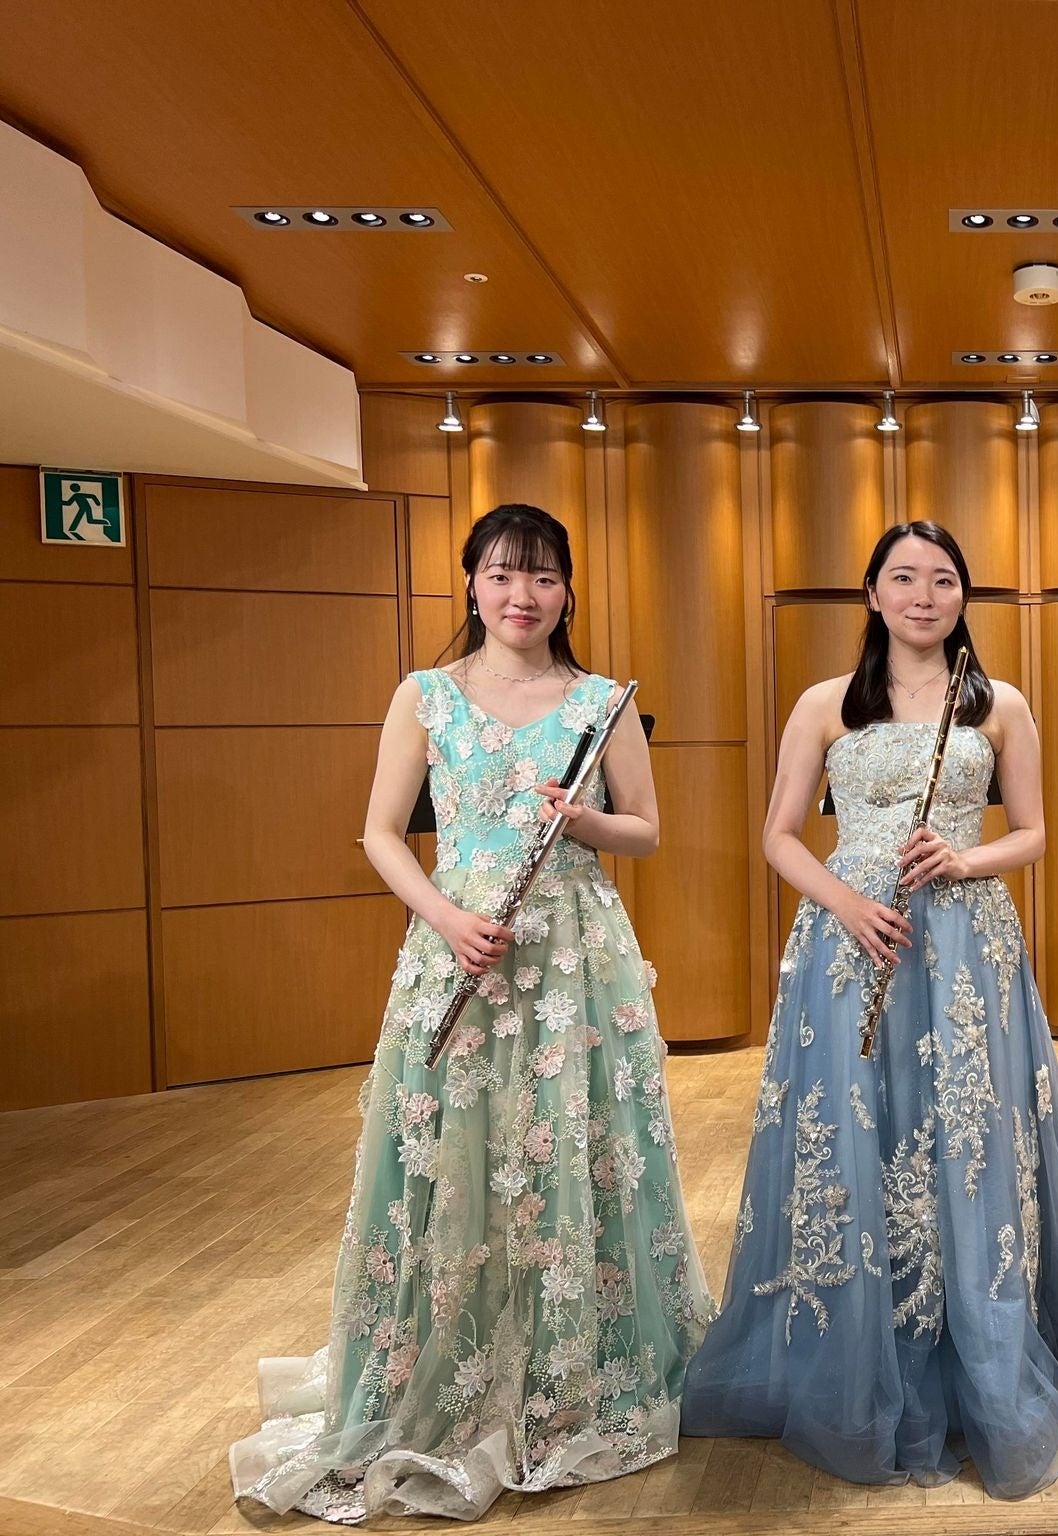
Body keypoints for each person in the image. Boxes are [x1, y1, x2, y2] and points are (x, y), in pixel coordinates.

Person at [230, 503, 712, 1522]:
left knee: (574, 1153)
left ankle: (572, 1365)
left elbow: (647, 832)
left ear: (567, 592)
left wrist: (585, 821)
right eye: (501, 574)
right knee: (452, 1153)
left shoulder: (604, 701)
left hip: (573, 957)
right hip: (458, 948)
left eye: (542, 577)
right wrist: (446, 918)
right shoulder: (424, 695)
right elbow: (380, 833)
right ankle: (447, 1360)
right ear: (471, 585)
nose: (521, 595)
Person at [680, 521, 1058, 1498]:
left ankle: (977, 1352)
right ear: (871, 593)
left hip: (964, 945)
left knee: (965, 1138)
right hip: (851, 940)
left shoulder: (999, 704)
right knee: (857, 1132)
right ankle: (851, 1355)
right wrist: (847, 903)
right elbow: (780, 836)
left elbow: (1034, 833)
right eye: (902, 578)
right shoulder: (825, 703)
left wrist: (965, 855)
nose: (923, 595)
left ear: (963, 597)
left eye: (943, 580)